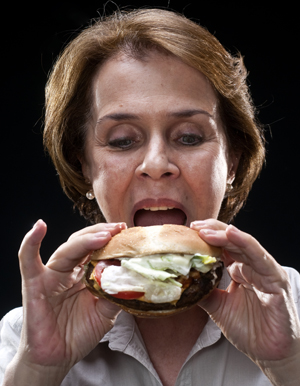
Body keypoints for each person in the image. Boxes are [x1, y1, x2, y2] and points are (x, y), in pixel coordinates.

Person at [1, 7, 300, 386]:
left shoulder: (296, 312)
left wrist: (290, 366)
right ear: (86, 169)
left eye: (189, 137)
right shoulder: (21, 340)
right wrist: (39, 372)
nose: (157, 164)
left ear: (233, 161)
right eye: (123, 140)